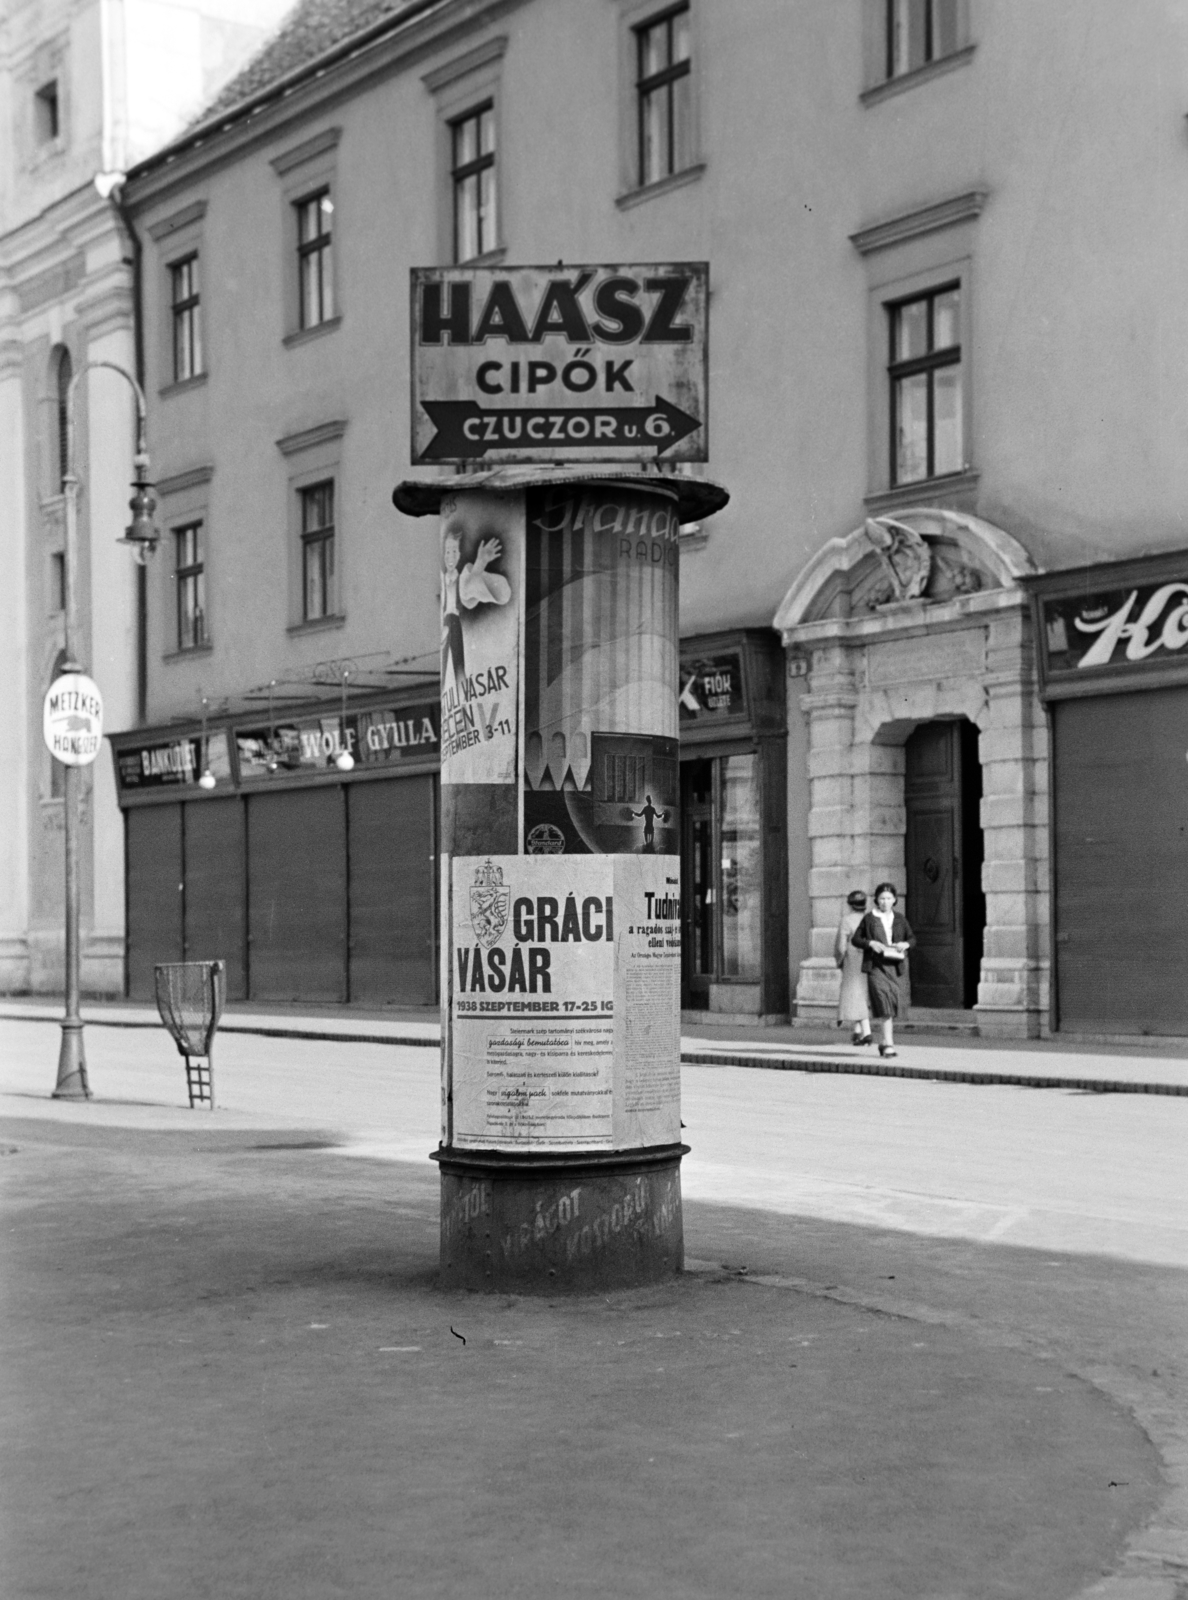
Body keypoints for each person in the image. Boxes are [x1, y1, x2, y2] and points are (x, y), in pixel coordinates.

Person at [851, 881, 916, 1058]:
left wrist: (905, 944)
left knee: (893, 1004)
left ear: (894, 899)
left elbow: (912, 939)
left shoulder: (900, 919)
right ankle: (890, 1045)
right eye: (881, 898)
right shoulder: (869, 918)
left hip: (896, 967)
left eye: (888, 898)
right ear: (876, 900)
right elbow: (856, 939)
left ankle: (884, 1042)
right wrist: (870, 943)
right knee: (883, 1002)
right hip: (876, 967)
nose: (885, 902)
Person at [834, 889, 873, 1046]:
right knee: (862, 994)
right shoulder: (870, 919)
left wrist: (839, 960)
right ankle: (857, 1032)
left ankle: (867, 1033)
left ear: (850, 905)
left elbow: (841, 947)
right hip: (869, 959)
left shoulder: (847, 920)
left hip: (853, 960)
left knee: (855, 995)